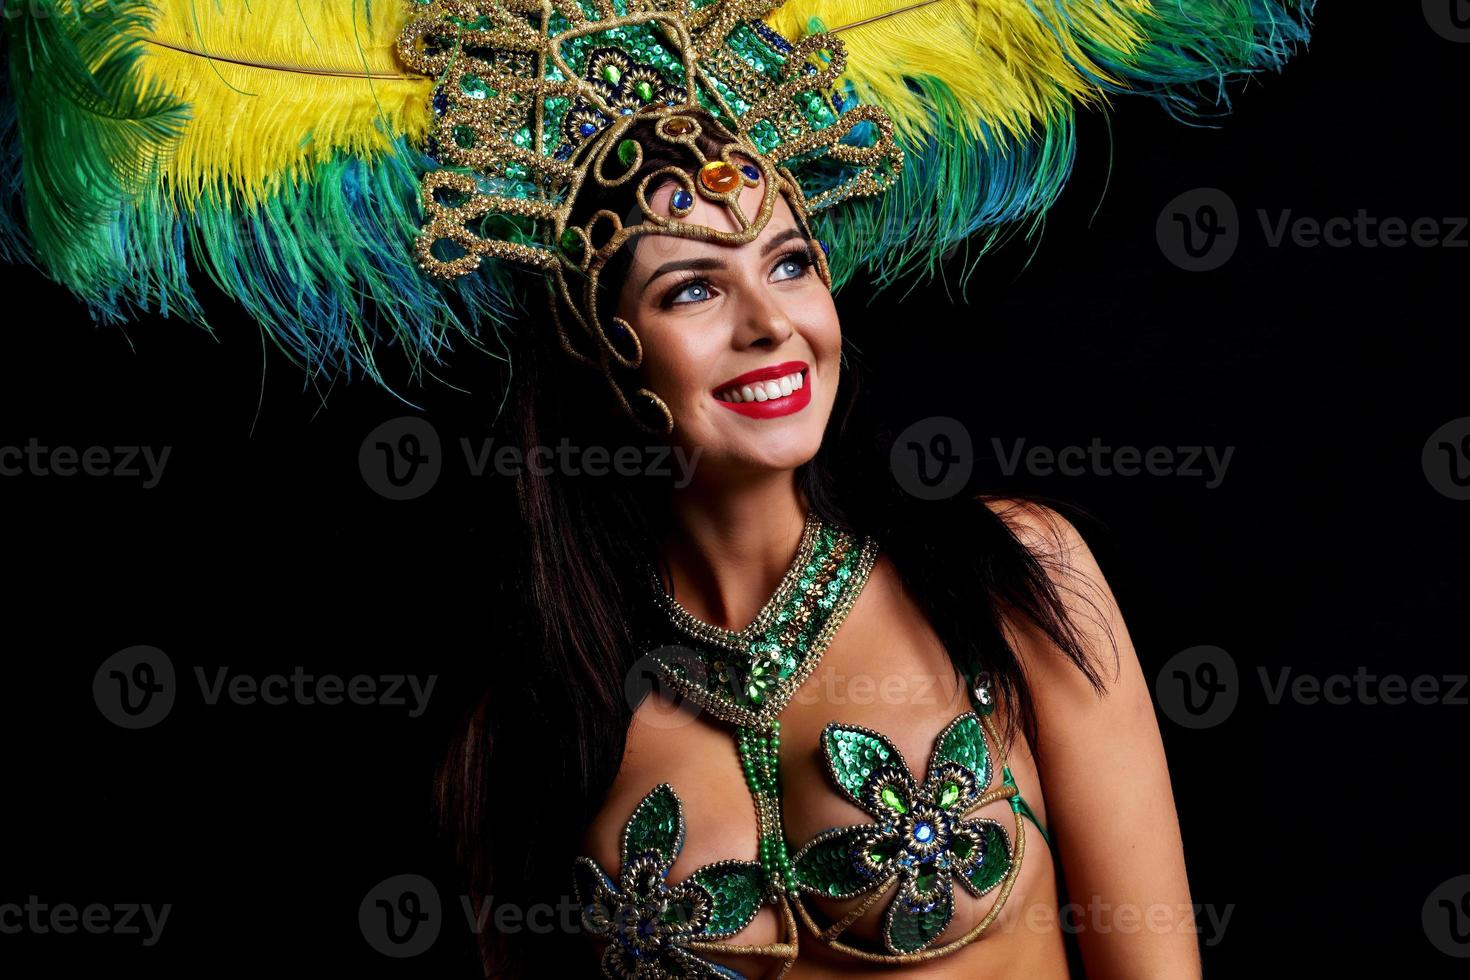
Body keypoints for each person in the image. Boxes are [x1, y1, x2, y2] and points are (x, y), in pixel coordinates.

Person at [1, 1, 1315, 975]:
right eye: (693, 287)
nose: (770, 323)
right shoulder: (518, 730)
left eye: (790, 263)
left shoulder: (1015, 577)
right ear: (596, 346)